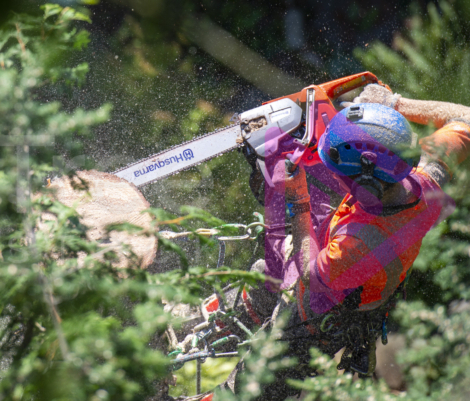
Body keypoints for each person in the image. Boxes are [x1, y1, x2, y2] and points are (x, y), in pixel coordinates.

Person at [190, 84, 470, 401]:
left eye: (337, 172)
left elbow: (308, 274)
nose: (332, 177)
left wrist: (297, 197)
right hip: (336, 274)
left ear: (365, 183)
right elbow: (466, 117)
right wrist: (395, 103)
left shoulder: (362, 241)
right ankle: (199, 326)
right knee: (262, 275)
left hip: (319, 318)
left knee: (248, 386)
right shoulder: (425, 178)